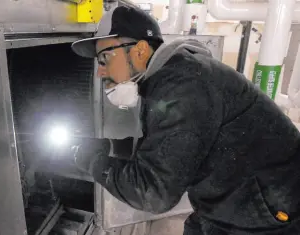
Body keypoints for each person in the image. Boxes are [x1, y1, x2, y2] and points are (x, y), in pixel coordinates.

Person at [70, 5, 300, 235]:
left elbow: (154, 195)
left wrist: (94, 162)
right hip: (237, 192)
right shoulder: (172, 75)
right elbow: (164, 143)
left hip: (269, 207)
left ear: (139, 50)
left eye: (105, 58)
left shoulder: (181, 87)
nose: (100, 72)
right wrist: (110, 147)